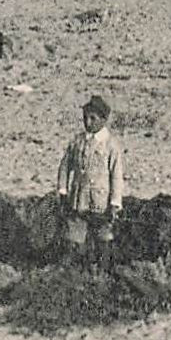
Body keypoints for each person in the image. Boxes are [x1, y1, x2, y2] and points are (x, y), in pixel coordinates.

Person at [57, 95, 125, 257]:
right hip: (78, 199)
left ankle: (101, 272)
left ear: (103, 119)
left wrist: (115, 202)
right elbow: (65, 166)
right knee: (74, 238)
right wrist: (63, 190)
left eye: (93, 118)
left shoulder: (111, 145)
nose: (88, 122)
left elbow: (116, 175)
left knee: (103, 239)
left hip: (101, 202)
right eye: (85, 118)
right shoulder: (77, 142)